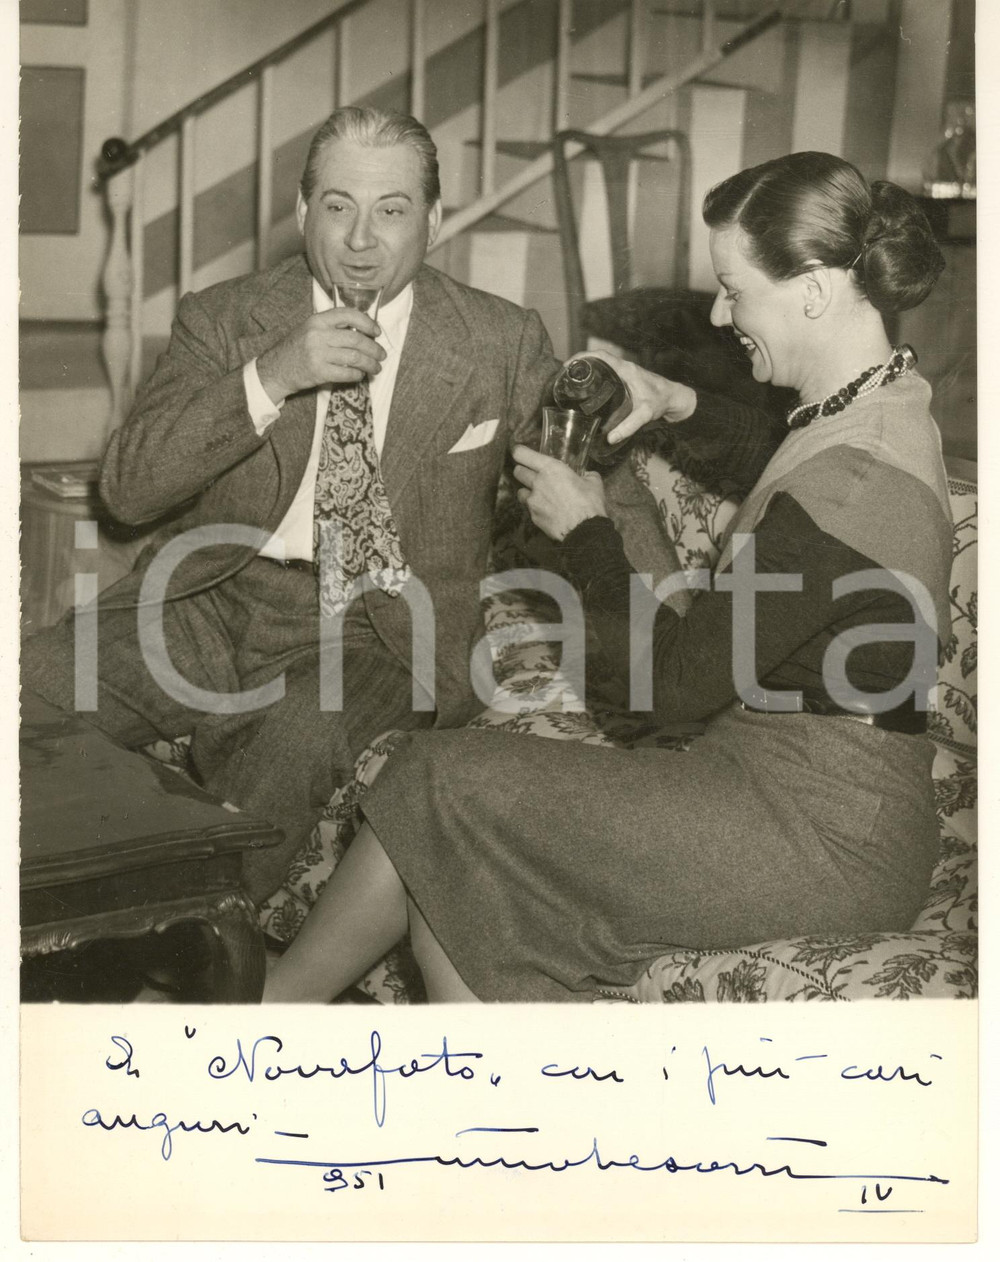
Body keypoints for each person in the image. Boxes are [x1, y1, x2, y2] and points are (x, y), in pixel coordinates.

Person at [261, 151, 952, 1004]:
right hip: (800, 791)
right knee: (453, 824)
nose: (718, 309)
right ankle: (342, 1020)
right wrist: (673, 400)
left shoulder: (856, 480)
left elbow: (668, 687)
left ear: (812, 290)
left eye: (735, 290)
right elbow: (789, 463)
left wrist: (587, 529)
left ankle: (300, 1015)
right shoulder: (881, 403)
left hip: (818, 833)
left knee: (440, 779)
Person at [20, 106, 568, 901]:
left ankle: (193, 971)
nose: (361, 239)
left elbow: (580, 464)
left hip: (378, 627)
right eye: (339, 206)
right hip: (211, 597)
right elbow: (128, 491)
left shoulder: (499, 339)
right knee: (31, 686)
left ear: (436, 221)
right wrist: (270, 376)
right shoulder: (224, 317)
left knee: (295, 741)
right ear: (303, 213)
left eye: (393, 210)